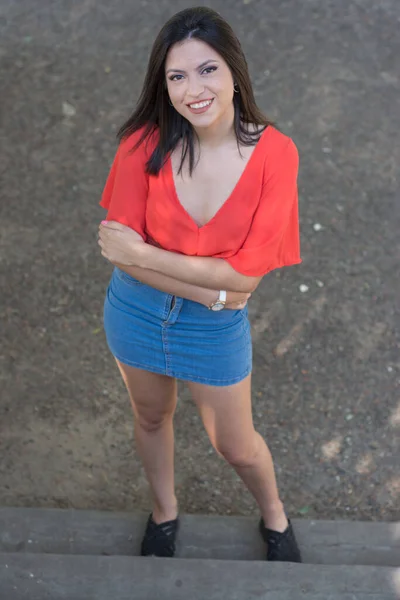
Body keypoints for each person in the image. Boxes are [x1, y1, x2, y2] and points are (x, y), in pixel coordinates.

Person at [98, 6, 302, 562]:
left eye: (207, 69)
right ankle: (164, 512)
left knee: (234, 445)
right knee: (150, 416)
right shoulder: (143, 143)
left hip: (211, 331)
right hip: (136, 312)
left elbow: (247, 279)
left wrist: (148, 254)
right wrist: (216, 290)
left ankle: (275, 515)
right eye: (177, 76)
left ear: (234, 70)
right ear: (163, 86)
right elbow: (119, 254)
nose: (194, 89)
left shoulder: (275, 156)